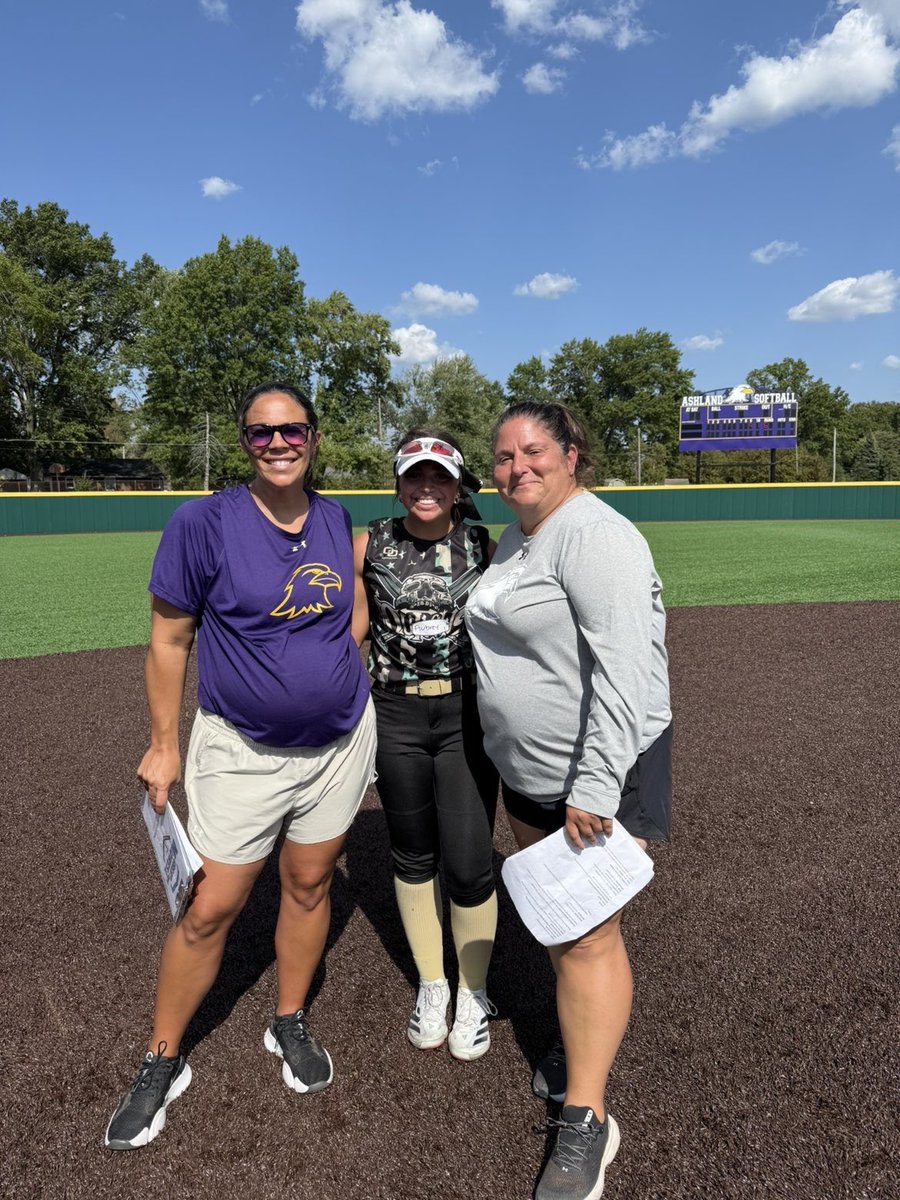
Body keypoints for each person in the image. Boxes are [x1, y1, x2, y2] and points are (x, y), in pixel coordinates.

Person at [105, 382, 376, 1151]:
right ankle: (162, 1057)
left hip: (338, 744)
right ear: (245, 443)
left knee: (310, 882)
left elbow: (345, 605)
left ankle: (288, 1018)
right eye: (262, 434)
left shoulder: (331, 515)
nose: (279, 443)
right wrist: (164, 742)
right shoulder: (203, 522)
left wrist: (329, 667)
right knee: (210, 906)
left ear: (314, 437)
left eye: (293, 430)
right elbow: (168, 640)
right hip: (241, 751)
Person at [465, 402, 672, 1200]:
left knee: (588, 938)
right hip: (532, 770)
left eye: (534, 451)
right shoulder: (522, 538)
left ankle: (588, 1116)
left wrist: (593, 783)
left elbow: (630, 667)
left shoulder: (596, 535)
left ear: (572, 455)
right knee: (563, 927)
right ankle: (582, 1043)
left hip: (598, 776)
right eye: (505, 456)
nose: (517, 466)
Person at [352, 430, 500, 1060]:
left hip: (465, 712)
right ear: (399, 482)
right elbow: (350, 629)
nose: (426, 489)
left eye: (440, 478)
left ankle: (474, 991)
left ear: (458, 485)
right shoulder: (372, 543)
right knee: (412, 855)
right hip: (396, 715)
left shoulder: (483, 545)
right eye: (415, 476)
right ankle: (433, 985)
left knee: (468, 863)